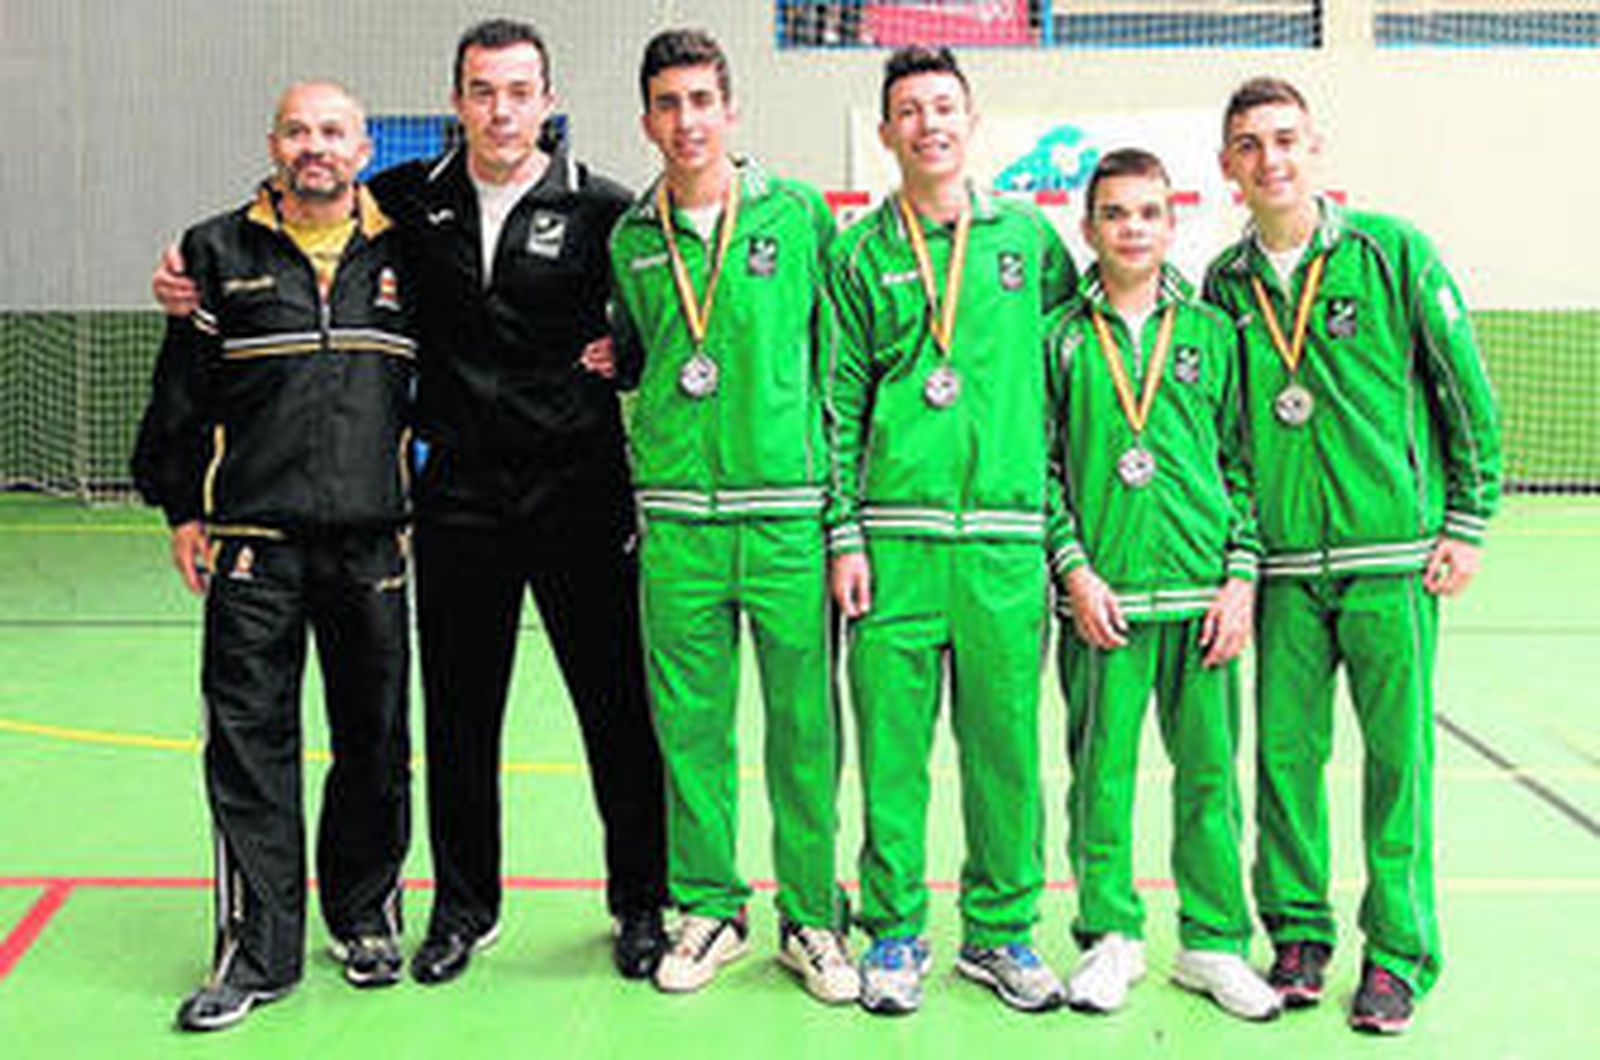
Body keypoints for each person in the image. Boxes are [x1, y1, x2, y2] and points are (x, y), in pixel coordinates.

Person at [153, 19, 669, 985]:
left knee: (615, 709)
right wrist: (191, 275)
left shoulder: (604, 208)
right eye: (482, 90)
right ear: (457, 102)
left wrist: (627, 356)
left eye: (520, 91)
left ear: (547, 102)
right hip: (460, 497)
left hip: (579, 495)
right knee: (459, 718)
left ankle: (640, 902)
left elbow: (661, 311)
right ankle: (463, 911)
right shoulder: (401, 204)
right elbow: (298, 221)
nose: (502, 109)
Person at [1204, 77, 1501, 1035]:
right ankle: (1297, 934)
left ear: (1316, 147)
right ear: (1227, 169)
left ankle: (1400, 954)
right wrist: (1239, 562)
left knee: (1397, 762)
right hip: (1285, 569)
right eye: (1250, 145)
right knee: (1284, 758)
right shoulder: (1223, 285)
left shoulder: (1391, 253)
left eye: (1285, 139)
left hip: (1393, 556)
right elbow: (1227, 444)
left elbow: (1465, 392)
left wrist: (1468, 516)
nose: (1271, 159)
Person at [133, 81, 413, 1032]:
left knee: (374, 738)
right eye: (298, 131)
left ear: (364, 148)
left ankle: (364, 913)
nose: (315, 147)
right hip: (254, 546)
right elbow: (185, 390)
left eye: (333, 132)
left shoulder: (405, 249)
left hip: (374, 540)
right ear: (274, 145)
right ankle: (259, 949)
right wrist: (181, 506)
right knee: (252, 748)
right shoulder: (215, 251)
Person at [825, 45, 1076, 1016]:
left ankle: (1002, 932)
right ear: (886, 133)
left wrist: (1063, 540)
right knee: (891, 750)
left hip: (1006, 546)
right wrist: (844, 533)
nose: (928, 124)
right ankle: (891, 930)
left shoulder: (1033, 244)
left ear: (971, 123)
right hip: (892, 547)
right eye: (909, 111)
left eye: (944, 107)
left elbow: (1070, 392)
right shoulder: (858, 255)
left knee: (1005, 748)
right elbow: (835, 403)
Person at [607, 29, 854, 1002]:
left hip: (788, 517)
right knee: (690, 730)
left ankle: (811, 917)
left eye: (702, 99)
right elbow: (633, 357)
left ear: (731, 110)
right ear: (647, 119)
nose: (686, 120)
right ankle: (709, 907)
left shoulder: (796, 218)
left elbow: (836, 373)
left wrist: (839, 524)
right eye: (668, 104)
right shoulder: (630, 237)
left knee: (804, 726)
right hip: (677, 520)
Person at [1045, 149, 1279, 1022]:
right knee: (1100, 775)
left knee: (1209, 776)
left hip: (1201, 601)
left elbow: (1243, 464)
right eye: (1115, 214)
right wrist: (1073, 568)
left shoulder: (1216, 333)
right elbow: (1046, 469)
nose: (1132, 228)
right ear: (1088, 226)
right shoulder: (1060, 338)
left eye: (1148, 213)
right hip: (1105, 603)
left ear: (1172, 223)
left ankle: (1214, 943)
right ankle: (1111, 936)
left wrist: (1241, 576)